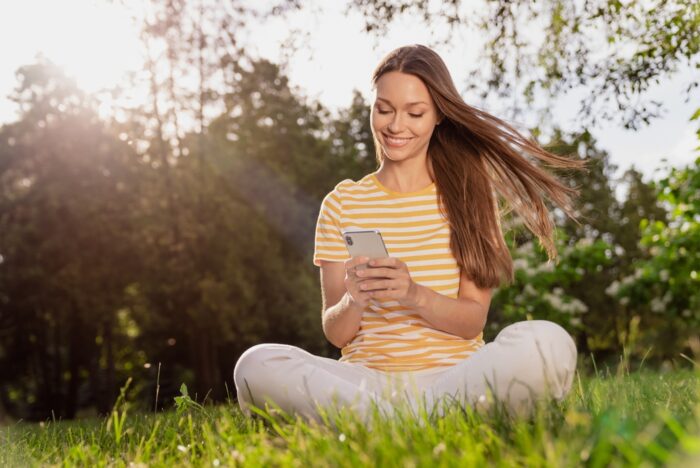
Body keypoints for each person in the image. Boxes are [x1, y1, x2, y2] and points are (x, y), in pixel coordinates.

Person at [233, 44, 584, 425]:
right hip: (364, 383)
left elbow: (472, 321)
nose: (396, 126)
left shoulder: (469, 194)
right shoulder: (342, 202)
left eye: (415, 113)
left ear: (438, 117)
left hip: (454, 378)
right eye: (384, 109)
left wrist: (411, 293)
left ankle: (392, 423)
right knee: (255, 365)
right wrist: (355, 299)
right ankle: (419, 421)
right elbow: (335, 332)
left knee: (547, 343)